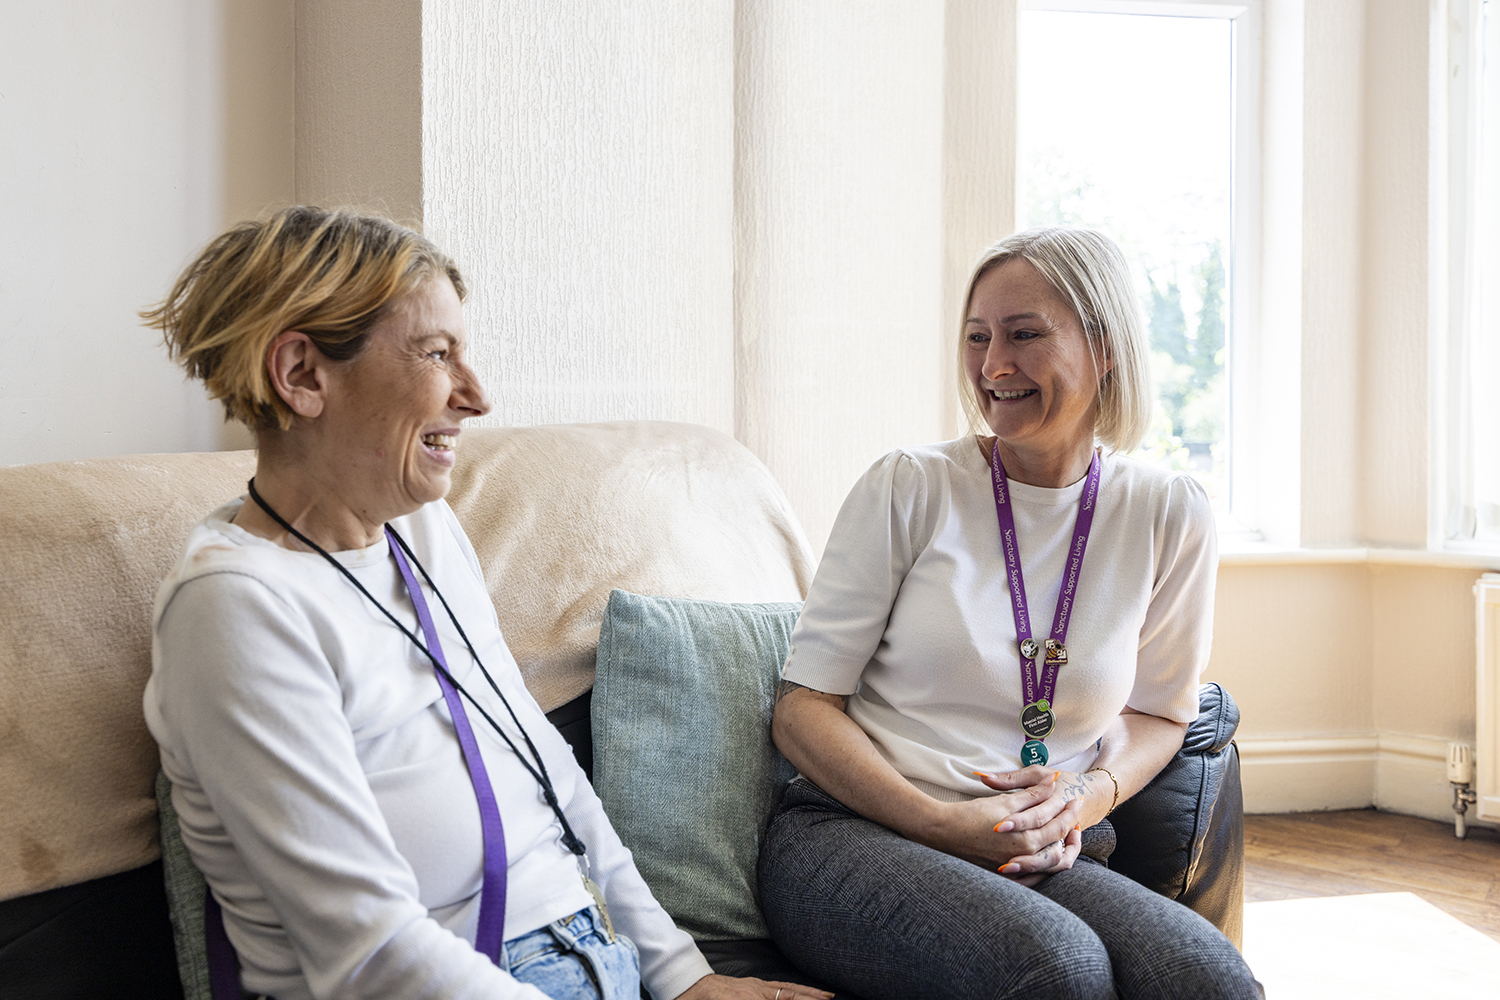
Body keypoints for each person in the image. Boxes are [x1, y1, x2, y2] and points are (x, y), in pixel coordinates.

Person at [141, 206, 831, 1000]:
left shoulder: (420, 530)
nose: (476, 397)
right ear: (302, 375)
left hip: (589, 953)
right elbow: (370, 951)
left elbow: (541, 761)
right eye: (438, 354)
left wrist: (684, 976)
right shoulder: (233, 607)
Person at [759, 227, 1260, 1000]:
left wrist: (1088, 797)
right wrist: (937, 822)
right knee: (1060, 970)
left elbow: (1162, 712)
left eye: (1024, 335)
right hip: (854, 831)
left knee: (1208, 979)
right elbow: (802, 710)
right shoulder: (910, 486)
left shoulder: (1169, 512)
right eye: (977, 337)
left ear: (1105, 348)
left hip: (1039, 845)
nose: (994, 365)